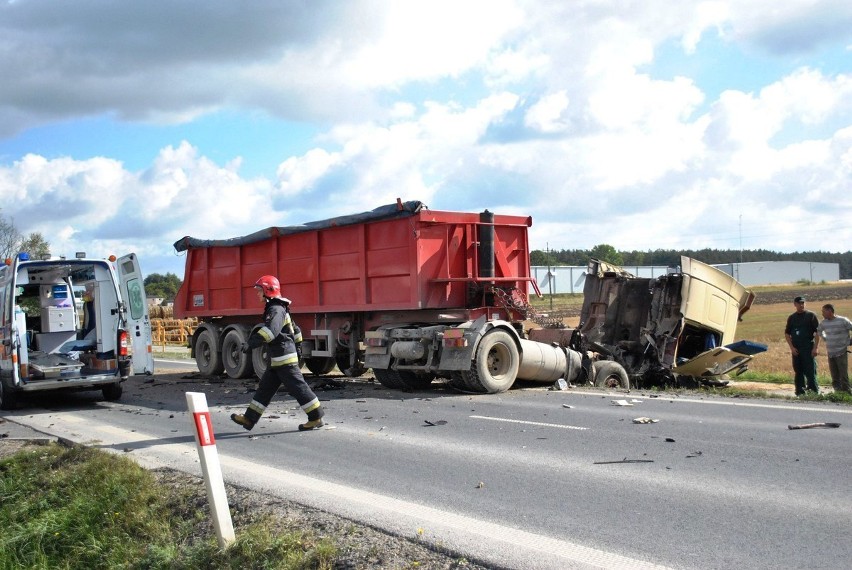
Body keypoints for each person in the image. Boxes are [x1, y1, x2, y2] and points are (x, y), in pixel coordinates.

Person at [231, 275, 325, 431]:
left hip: (284, 359)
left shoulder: (275, 309)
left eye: (259, 290)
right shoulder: (280, 308)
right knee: (264, 390)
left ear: (268, 290)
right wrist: (298, 348)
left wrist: (251, 344)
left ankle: (316, 417)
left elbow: (271, 331)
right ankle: (249, 419)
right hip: (278, 359)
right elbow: (296, 331)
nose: (257, 294)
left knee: (298, 388)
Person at [784, 296, 820, 396]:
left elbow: (818, 333)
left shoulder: (811, 315)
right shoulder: (792, 317)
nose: (801, 305)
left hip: (808, 347)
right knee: (798, 370)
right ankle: (800, 391)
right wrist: (791, 348)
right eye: (799, 303)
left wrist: (815, 347)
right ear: (795, 304)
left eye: (803, 303)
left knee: (810, 370)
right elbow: (787, 334)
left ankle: (813, 391)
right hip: (796, 348)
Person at [814, 303, 852, 394]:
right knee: (834, 374)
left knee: (843, 373)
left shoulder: (843, 320)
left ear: (830, 311)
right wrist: (825, 338)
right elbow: (819, 331)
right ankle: (837, 392)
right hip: (830, 352)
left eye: (824, 311)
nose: (822, 314)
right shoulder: (824, 323)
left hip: (841, 351)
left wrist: (850, 341)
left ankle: (846, 392)